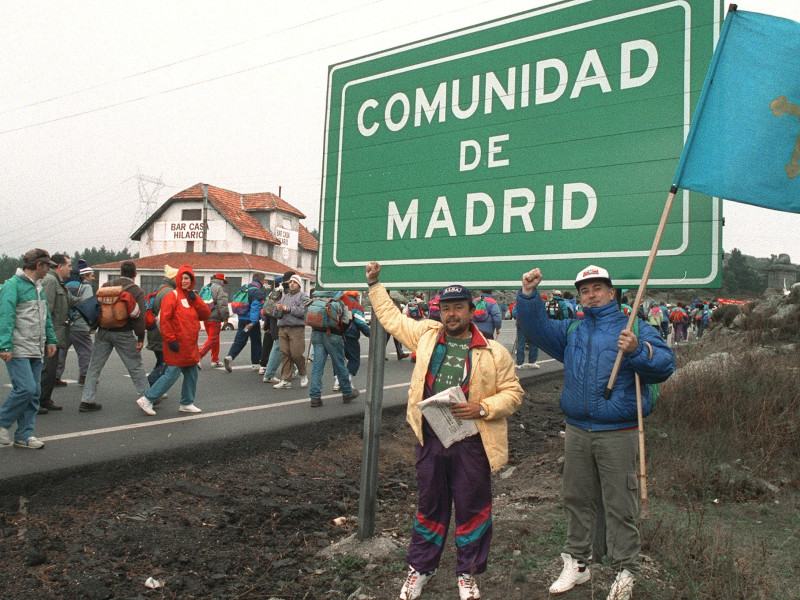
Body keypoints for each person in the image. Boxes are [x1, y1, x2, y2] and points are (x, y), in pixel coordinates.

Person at [515, 264, 674, 600]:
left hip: (620, 430)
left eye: (597, 288)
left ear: (611, 293)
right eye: (584, 291)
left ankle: (626, 568)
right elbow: (536, 326)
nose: (590, 295)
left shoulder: (636, 328)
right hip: (576, 430)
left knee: (620, 503)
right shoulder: (573, 330)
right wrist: (528, 296)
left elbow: (664, 365)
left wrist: (637, 351)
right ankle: (577, 563)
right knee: (576, 498)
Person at [366, 261, 523, 600]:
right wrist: (376, 286)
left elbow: (513, 393)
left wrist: (482, 408)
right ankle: (421, 569)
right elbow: (392, 320)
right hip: (431, 437)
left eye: (458, 308)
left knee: (472, 505)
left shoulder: (494, 352)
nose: (451, 314)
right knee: (430, 505)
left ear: (471, 310)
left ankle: (467, 573)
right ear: (439, 311)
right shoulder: (425, 335)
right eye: (446, 308)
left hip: (473, 441)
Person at [0, 249, 58, 449]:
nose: (48, 271)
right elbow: (5, 317)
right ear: (38, 265)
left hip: (35, 347)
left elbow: (46, 317)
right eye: (47, 267)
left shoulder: (38, 287)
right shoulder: (12, 286)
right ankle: (2, 423)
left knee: (34, 393)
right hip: (18, 347)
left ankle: (24, 435)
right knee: (26, 388)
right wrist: (5, 345)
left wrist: (50, 339)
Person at [136, 265, 211, 415]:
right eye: (181, 278)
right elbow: (165, 320)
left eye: (187, 278)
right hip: (177, 344)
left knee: (192, 373)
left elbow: (205, 314)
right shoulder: (172, 295)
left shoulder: (191, 297)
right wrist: (170, 340)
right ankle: (147, 399)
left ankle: (187, 402)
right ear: (177, 279)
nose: (184, 281)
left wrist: (196, 299)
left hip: (190, 344)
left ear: (192, 280)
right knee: (172, 373)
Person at [79, 260, 150, 413]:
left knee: (94, 367)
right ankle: (146, 397)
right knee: (135, 366)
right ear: (135, 274)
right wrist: (140, 338)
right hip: (124, 332)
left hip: (103, 332)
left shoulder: (106, 286)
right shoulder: (136, 290)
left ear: (120, 272)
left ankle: (87, 399)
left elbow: (96, 307)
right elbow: (140, 318)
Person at [39, 254, 82, 412]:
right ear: (59, 267)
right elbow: (46, 311)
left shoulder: (59, 283)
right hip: (52, 334)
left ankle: (44, 399)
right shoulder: (50, 281)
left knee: (51, 368)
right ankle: (39, 401)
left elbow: (72, 301)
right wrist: (48, 336)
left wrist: (95, 301)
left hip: (57, 333)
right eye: (69, 266)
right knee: (47, 368)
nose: (71, 269)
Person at [307, 291, 360, 408]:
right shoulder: (342, 297)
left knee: (317, 366)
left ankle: (315, 397)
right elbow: (347, 320)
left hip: (317, 333)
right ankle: (347, 392)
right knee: (340, 365)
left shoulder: (317, 296)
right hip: (334, 335)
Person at [59, 260, 95, 385]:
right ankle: (84, 376)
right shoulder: (85, 286)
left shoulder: (64, 284)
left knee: (61, 352)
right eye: (91, 275)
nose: (93, 278)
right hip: (79, 324)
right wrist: (90, 324)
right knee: (85, 351)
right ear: (84, 275)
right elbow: (87, 306)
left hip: (64, 323)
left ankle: (55, 376)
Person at [223, 273, 266, 373]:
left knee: (240, 338)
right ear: (261, 280)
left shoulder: (243, 287)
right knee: (256, 341)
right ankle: (256, 363)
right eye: (264, 280)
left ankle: (230, 356)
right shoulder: (257, 292)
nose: (264, 282)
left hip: (241, 318)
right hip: (250, 320)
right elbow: (255, 308)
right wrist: (253, 322)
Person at [273, 274, 309, 389]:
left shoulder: (303, 297)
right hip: (283, 328)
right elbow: (276, 313)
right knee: (285, 354)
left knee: (296, 354)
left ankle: (303, 374)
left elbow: (303, 311)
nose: (292, 284)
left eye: (294, 282)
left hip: (296, 328)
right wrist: (277, 309)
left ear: (298, 284)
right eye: (290, 282)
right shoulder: (284, 296)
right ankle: (285, 380)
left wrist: (288, 309)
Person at [145, 265, 178, 386]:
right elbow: (167, 316)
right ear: (173, 278)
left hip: (155, 332)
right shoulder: (168, 292)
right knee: (166, 364)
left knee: (161, 362)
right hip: (161, 333)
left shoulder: (162, 289)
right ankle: (150, 386)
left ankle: (154, 388)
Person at [338, 290, 370, 390]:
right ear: (356, 296)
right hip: (351, 336)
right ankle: (347, 379)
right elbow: (360, 322)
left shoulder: (338, 301)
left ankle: (336, 380)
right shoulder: (356, 305)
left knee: (339, 359)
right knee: (354, 359)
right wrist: (370, 333)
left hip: (337, 334)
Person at [198, 272, 230, 367]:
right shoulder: (219, 289)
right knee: (213, 339)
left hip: (205, 317)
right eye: (223, 281)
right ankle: (198, 355)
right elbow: (222, 305)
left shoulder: (205, 287)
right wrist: (225, 318)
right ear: (221, 280)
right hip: (215, 318)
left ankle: (215, 360)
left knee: (215, 339)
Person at [510, 301, 539, 369]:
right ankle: (532, 362)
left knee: (521, 343)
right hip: (532, 324)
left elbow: (514, 313)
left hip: (521, 324)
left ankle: (520, 363)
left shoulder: (518, 302)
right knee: (533, 343)